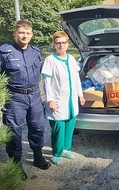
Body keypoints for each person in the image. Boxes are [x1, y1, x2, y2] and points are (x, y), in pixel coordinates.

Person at [0, 19, 51, 180]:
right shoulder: (3, 53)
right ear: (15, 33)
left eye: (27, 33)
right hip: (15, 97)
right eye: (21, 32)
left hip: (35, 96)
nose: (24, 36)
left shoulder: (35, 52)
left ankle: (38, 157)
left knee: (38, 127)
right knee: (14, 132)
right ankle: (16, 165)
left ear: (32, 34)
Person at [41, 31, 85, 165]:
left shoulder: (71, 59)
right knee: (58, 127)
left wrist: (80, 95)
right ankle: (56, 153)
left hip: (71, 100)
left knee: (70, 125)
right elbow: (46, 82)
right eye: (58, 43)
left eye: (64, 42)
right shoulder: (50, 60)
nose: (61, 45)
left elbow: (76, 79)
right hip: (57, 101)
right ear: (54, 44)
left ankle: (66, 149)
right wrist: (51, 100)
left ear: (67, 44)